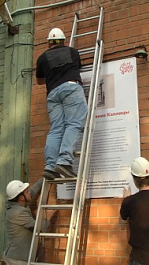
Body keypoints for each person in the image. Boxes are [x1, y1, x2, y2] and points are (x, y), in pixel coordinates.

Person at [35, 27, 88, 180]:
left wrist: (53, 75)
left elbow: (39, 81)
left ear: (48, 43)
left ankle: (50, 166)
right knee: (74, 123)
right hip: (71, 88)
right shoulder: (72, 52)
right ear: (64, 41)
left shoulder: (42, 58)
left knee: (56, 129)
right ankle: (64, 161)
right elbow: (76, 67)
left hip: (52, 94)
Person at [4, 178, 43, 265]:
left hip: (18, 255)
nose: (29, 192)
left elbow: (33, 191)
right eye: (26, 192)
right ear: (21, 198)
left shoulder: (20, 203)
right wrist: (51, 219)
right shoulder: (17, 212)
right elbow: (38, 227)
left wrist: (45, 177)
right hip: (17, 258)